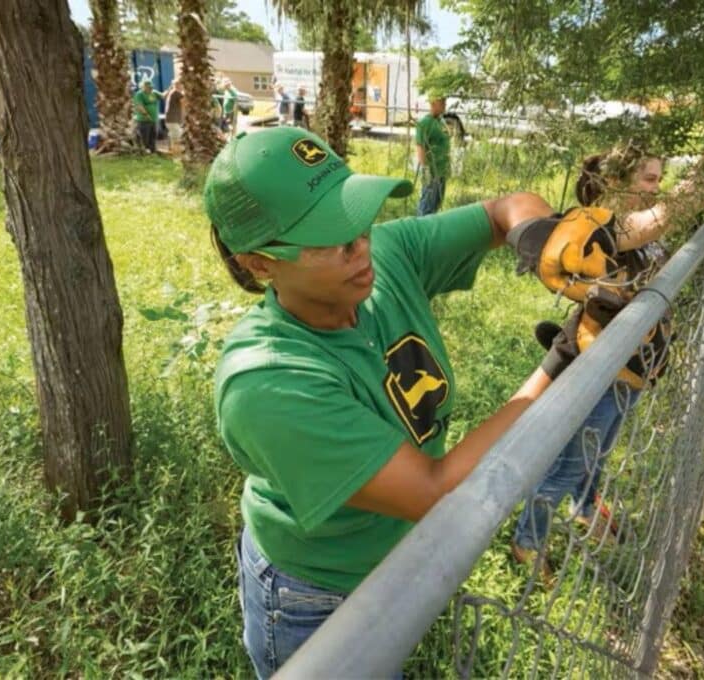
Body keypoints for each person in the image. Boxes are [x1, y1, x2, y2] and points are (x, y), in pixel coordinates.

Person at [205, 127, 564, 678]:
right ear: (259, 263)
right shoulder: (268, 383)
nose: (360, 246)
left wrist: (544, 237)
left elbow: (502, 211)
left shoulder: (384, 259)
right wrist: (560, 367)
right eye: (329, 239)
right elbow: (432, 489)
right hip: (318, 599)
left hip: (396, 564)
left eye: (358, 218)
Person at [508, 118, 704, 574]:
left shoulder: (641, 227)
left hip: (633, 365)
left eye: (659, 180)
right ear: (616, 185)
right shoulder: (608, 227)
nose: (657, 189)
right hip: (600, 367)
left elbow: (701, 198)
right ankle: (527, 539)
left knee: (601, 449)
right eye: (649, 180)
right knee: (574, 459)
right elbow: (675, 209)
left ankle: (586, 506)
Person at [415, 93, 451, 216]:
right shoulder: (425, 123)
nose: (445, 105)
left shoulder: (441, 121)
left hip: (442, 170)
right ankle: (420, 230)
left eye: (445, 103)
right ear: (433, 103)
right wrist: (426, 173)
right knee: (427, 205)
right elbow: (420, 148)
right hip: (431, 171)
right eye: (442, 103)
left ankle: (431, 232)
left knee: (436, 204)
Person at [132, 79, 163, 154]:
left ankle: (153, 151)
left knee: (154, 136)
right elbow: (139, 106)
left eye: (151, 87)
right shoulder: (139, 94)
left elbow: (163, 96)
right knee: (145, 137)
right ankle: (144, 151)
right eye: (148, 87)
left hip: (154, 119)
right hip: (144, 120)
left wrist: (171, 88)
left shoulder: (154, 93)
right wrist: (146, 115)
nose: (150, 89)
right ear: (143, 87)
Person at [163, 77, 185, 154]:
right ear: (178, 85)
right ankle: (176, 153)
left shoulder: (171, 92)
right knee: (178, 136)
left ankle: (173, 152)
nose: (183, 86)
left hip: (171, 119)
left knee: (173, 136)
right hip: (173, 119)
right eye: (182, 84)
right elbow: (184, 103)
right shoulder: (177, 93)